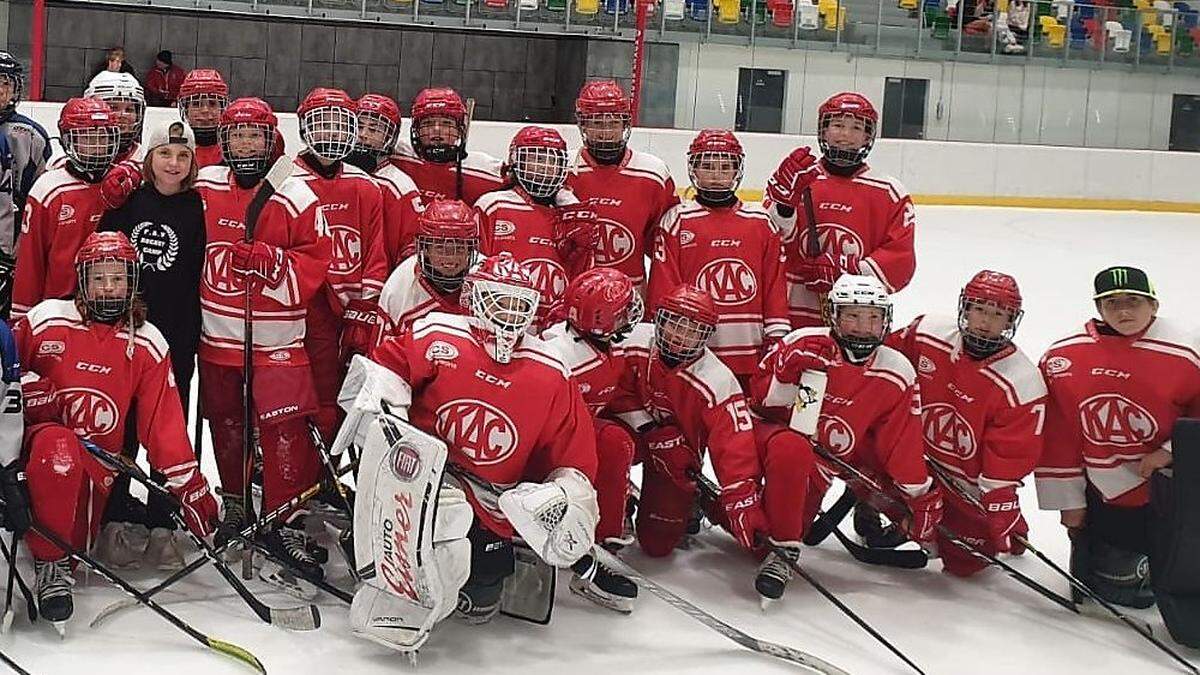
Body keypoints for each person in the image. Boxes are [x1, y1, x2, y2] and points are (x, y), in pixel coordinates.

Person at [341, 253, 600, 634]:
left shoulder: (551, 371)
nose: (509, 313)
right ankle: (388, 572)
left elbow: (574, 455)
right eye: (500, 300)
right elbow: (383, 367)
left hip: (491, 498)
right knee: (446, 524)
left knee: (481, 598)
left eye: (519, 304)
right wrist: (389, 410)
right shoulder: (439, 334)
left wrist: (566, 497)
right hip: (426, 483)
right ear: (476, 296)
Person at [12, 231, 217, 631]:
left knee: (74, 541)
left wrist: (190, 487)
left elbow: (164, 427)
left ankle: (56, 558)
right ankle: (51, 566)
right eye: (99, 278)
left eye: (118, 278)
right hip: (37, 459)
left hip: (95, 474)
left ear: (133, 281)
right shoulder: (45, 320)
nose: (109, 287)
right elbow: (5, 370)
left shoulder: (146, 342)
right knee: (58, 446)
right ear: (83, 280)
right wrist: (25, 386)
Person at [194, 97, 332, 583]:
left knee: (285, 432)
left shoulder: (295, 193)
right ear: (225, 142)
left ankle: (283, 518)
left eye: (255, 135)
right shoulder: (206, 183)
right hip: (218, 336)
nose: (246, 144)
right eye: (237, 136)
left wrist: (275, 264)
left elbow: (318, 261)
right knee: (226, 424)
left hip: (277, 343)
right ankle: (235, 502)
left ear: (272, 139)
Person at [749, 274, 941, 596]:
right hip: (773, 441)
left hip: (827, 462)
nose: (863, 327)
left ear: (885, 320)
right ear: (834, 316)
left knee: (770, 536)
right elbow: (761, 402)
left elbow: (900, 442)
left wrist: (919, 496)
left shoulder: (897, 370)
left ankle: (811, 523)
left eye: (873, 317)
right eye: (853, 315)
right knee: (791, 451)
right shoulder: (804, 342)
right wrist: (784, 373)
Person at [1037, 266, 1200, 608]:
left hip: (1171, 486)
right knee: (1124, 589)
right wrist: (1070, 501)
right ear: (1098, 309)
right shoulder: (1063, 358)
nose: (1123, 311)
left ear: (1154, 305)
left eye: (1134, 301)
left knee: (1178, 571)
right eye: (1112, 303)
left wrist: (1171, 451)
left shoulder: (1187, 352)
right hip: (1104, 490)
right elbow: (1058, 434)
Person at [96, 121, 206, 569]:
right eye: (165, 154)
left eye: (182, 156)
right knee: (122, 428)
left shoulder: (200, 207)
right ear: (149, 158)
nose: (174, 163)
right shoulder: (129, 203)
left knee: (167, 430)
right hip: (128, 334)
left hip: (178, 335)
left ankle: (163, 524)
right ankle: (113, 519)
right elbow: (102, 259)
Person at [888, 270, 1046, 576]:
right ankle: (888, 512)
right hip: (913, 462)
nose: (986, 322)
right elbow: (885, 366)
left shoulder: (1022, 382)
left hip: (964, 484)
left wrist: (1000, 504)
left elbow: (1008, 455)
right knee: (861, 462)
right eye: (980, 310)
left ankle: (998, 527)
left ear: (1012, 320)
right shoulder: (926, 333)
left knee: (966, 564)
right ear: (965, 309)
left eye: (998, 314)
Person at [607, 285, 767, 567]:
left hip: (678, 458)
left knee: (658, 545)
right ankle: (620, 497)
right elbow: (611, 390)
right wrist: (650, 428)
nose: (680, 337)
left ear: (705, 336)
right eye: (674, 325)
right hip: (631, 435)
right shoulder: (630, 342)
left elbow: (735, 447)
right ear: (660, 321)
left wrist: (741, 502)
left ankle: (700, 499)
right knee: (609, 445)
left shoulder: (717, 380)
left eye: (692, 330)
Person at [648, 128, 789, 386]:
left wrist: (776, 333)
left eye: (725, 167)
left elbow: (774, 284)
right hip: (694, 345)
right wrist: (671, 336)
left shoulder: (760, 222)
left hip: (750, 345)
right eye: (708, 166)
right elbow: (664, 284)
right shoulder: (678, 219)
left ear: (737, 171)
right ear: (694, 169)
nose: (716, 175)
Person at [763, 92, 916, 329]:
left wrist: (848, 269)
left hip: (856, 317)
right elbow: (769, 244)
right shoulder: (798, 178)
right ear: (823, 130)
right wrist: (783, 208)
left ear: (868, 136)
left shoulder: (889, 192)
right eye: (837, 125)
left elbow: (900, 262)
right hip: (790, 309)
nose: (845, 134)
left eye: (856, 127)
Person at [541, 267, 643, 611]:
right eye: (624, 310)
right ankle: (596, 547)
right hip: (545, 457)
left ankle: (600, 529)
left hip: (567, 443)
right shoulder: (563, 359)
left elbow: (609, 398)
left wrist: (648, 426)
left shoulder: (594, 343)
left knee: (616, 437)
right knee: (614, 443)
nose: (631, 314)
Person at [292, 87, 388, 446]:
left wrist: (366, 308)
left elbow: (375, 253)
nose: (330, 134)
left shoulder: (365, 185)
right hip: (303, 311)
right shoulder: (286, 180)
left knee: (343, 399)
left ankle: (328, 470)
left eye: (338, 126)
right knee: (299, 395)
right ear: (304, 129)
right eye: (321, 125)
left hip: (351, 316)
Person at [12, 98, 122, 319]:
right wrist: (23, 316)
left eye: (102, 137)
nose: (97, 146)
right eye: (87, 138)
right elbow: (30, 261)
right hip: (60, 310)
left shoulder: (122, 182)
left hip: (113, 307)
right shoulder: (49, 188)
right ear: (67, 140)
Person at [477, 126, 598, 322]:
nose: (545, 167)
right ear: (517, 161)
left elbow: (582, 278)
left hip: (554, 327)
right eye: (538, 159)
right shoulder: (493, 205)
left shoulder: (575, 216)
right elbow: (475, 267)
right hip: (501, 318)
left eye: (553, 161)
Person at [565, 80, 677, 291]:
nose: (605, 133)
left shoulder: (653, 174)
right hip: (572, 293)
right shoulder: (563, 170)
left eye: (613, 123)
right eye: (597, 123)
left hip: (631, 296)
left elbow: (666, 250)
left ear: (625, 124)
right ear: (582, 125)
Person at [376, 198, 478, 337]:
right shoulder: (398, 289)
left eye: (459, 247)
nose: (450, 256)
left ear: (470, 249)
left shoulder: (488, 280)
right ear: (425, 249)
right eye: (440, 246)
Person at [0, 52, 51, 317]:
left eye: (5, 83)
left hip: (11, 252)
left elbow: (42, 197)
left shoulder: (32, 135)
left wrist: (23, 244)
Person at [391, 87, 504, 205]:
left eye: (446, 123)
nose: (436, 129)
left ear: (459, 131)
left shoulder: (485, 172)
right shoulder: (397, 155)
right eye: (428, 123)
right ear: (417, 130)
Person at [347, 94, 423, 267]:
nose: (363, 135)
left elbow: (411, 248)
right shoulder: (332, 173)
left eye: (374, 130)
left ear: (389, 137)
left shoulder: (400, 187)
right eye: (358, 126)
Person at [84, 71, 145, 165]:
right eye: (113, 107)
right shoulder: (70, 159)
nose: (123, 115)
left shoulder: (146, 160)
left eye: (129, 109)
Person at [176, 69, 228, 169]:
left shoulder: (235, 152)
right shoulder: (172, 150)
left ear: (222, 109)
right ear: (186, 111)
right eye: (196, 104)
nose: (205, 110)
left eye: (212, 103)